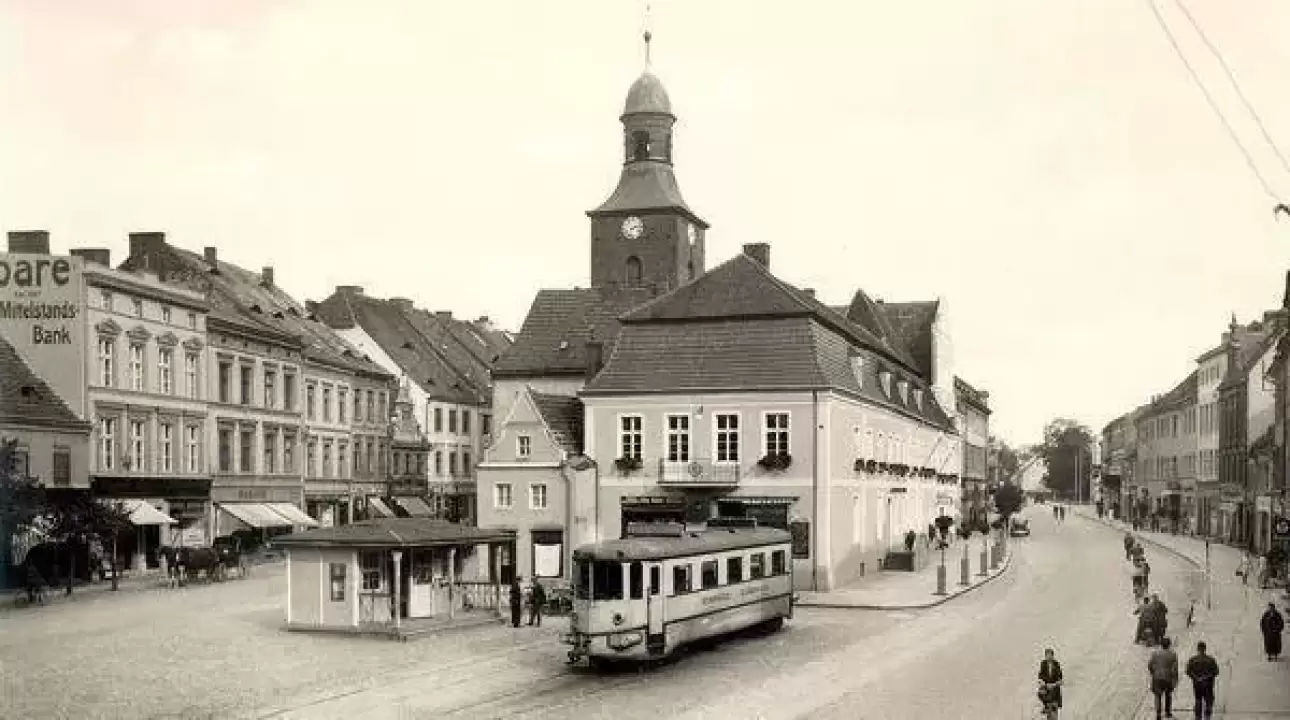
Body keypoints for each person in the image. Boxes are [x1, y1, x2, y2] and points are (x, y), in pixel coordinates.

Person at [1185, 640, 1219, 719]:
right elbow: (1216, 671)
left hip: (1197, 684)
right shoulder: (1211, 660)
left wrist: (1196, 677)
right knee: (1208, 700)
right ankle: (1207, 715)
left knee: (1198, 699)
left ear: (1198, 649)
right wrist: (1207, 677)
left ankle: (1198, 716)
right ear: (1205, 649)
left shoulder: (1193, 660)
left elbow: (1188, 671)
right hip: (1208, 684)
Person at [1147, 636, 1179, 720]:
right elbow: (1175, 668)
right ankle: (1167, 712)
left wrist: (1153, 673)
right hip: (1168, 677)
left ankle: (1158, 713)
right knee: (1168, 694)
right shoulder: (1173, 654)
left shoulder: (1155, 653)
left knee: (1157, 696)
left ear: (1161, 644)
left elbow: (1150, 665)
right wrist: (1175, 679)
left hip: (1157, 677)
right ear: (1169, 645)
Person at [1037, 647, 1063, 717]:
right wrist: (1043, 683)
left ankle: (1052, 707)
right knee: (1040, 693)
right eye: (1047, 655)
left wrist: (1054, 684)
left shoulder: (1056, 664)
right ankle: (1046, 706)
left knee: (1053, 694)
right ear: (1045, 656)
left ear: (1052, 656)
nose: (1049, 657)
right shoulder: (1043, 663)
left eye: (1050, 655)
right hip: (1046, 685)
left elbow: (1060, 676)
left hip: (1054, 685)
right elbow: (1040, 675)